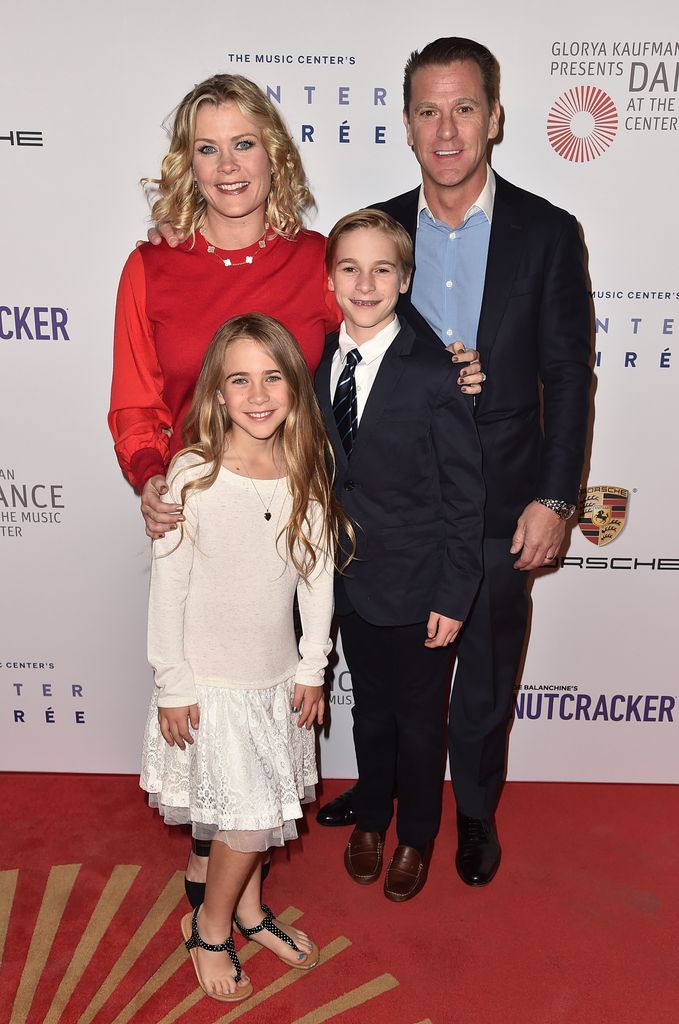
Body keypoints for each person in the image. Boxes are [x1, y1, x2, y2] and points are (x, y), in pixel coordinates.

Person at [316, 38, 593, 889]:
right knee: (386, 669)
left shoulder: (546, 233)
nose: (445, 130)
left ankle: (472, 810)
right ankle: (383, 793)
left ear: (494, 118)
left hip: (503, 495)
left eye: (463, 108)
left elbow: (566, 377)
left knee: (482, 671)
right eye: (428, 111)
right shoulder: (375, 231)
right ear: (405, 125)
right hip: (393, 507)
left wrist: (555, 498)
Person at [109, 73, 340, 902]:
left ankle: (228, 877)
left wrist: (457, 367)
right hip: (196, 512)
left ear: (274, 154)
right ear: (187, 164)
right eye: (208, 149)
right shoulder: (151, 266)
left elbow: (379, 344)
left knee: (264, 690)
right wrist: (149, 477)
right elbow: (135, 401)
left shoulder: (315, 261)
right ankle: (214, 872)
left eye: (244, 144)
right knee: (202, 689)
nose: (229, 165)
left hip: (283, 508)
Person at [141, 312, 348, 1001]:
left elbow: (316, 578)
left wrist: (311, 668)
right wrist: (173, 683)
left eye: (272, 377)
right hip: (210, 685)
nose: (258, 395)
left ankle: (251, 912)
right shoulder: (193, 475)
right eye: (239, 380)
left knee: (256, 808)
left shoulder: (304, 469)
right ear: (216, 391)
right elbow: (168, 589)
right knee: (250, 819)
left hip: (274, 681)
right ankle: (208, 926)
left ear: (295, 386)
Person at [315, 209, 485, 901]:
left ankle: (415, 835)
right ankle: (371, 819)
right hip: (348, 583)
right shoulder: (315, 365)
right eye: (350, 269)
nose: (365, 284)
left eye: (381, 269)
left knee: (419, 722)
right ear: (330, 280)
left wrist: (454, 592)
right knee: (369, 713)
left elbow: (464, 497)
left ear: (405, 279)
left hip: (420, 588)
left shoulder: (434, 374)